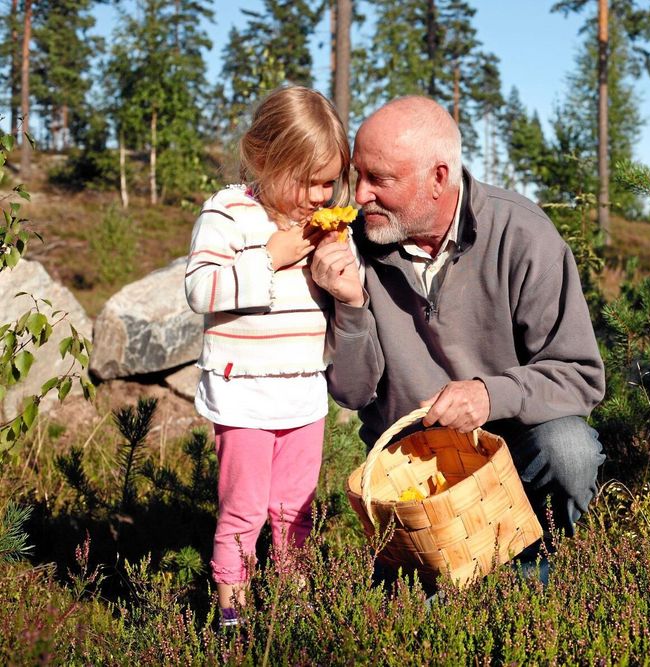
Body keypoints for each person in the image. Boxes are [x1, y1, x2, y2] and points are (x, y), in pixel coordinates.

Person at [311, 95, 606, 581]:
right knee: (408, 628)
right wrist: (350, 304)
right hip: (413, 469)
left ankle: (538, 565)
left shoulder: (524, 234)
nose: (359, 195)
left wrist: (491, 395)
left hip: (514, 450)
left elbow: (580, 376)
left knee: (570, 450)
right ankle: (463, 582)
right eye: (356, 175)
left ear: (438, 178)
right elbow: (351, 391)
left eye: (379, 179)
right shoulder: (351, 247)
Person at [184, 85, 353, 627]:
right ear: (264, 158)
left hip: (304, 392)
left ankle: (292, 601)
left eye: (328, 182)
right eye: (308, 180)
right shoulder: (229, 212)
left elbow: (334, 297)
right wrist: (269, 257)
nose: (320, 195)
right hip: (245, 394)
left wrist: (341, 269)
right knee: (245, 508)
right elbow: (200, 289)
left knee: (294, 510)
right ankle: (231, 605)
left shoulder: (323, 226)